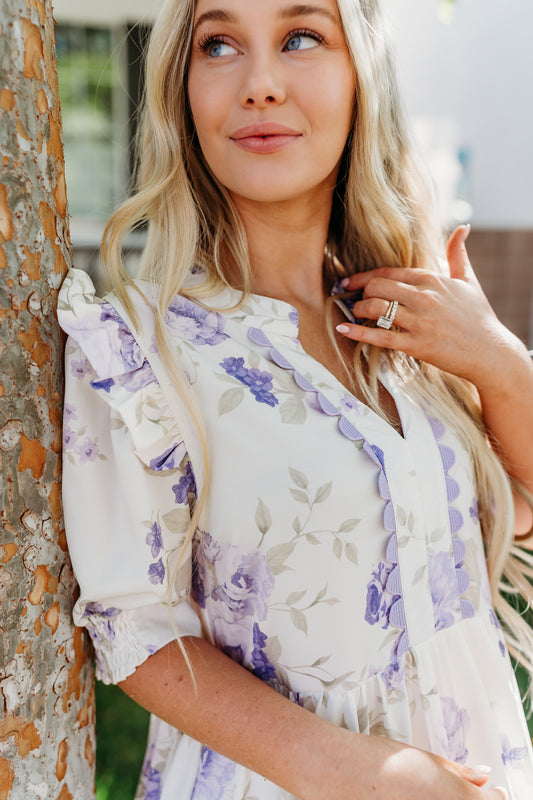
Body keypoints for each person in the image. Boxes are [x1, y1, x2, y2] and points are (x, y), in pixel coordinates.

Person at [57, 0, 533, 797]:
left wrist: (501, 367)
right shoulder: (137, 350)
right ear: (180, 87)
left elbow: (510, 509)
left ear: (361, 76)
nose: (260, 83)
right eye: (218, 45)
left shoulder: (406, 311)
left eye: (301, 36)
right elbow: (133, 627)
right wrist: (356, 773)